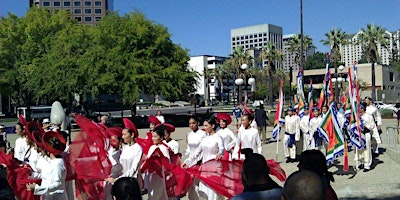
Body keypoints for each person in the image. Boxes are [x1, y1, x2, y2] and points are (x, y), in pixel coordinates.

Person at [182, 116, 224, 200]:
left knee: (213, 190)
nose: (204, 128)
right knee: (204, 189)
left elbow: (222, 148)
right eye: (204, 125)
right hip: (205, 167)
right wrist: (187, 162)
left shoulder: (218, 137)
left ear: (212, 126)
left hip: (214, 167)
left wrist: (220, 153)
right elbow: (196, 153)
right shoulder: (205, 139)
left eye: (206, 125)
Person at [26, 131, 69, 200]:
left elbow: (58, 184)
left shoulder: (58, 163)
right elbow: (45, 175)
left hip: (56, 197)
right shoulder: (50, 161)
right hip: (48, 196)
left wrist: (38, 188)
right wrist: (30, 173)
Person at [182, 115, 207, 199]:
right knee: (191, 183)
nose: (191, 125)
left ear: (197, 123)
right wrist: (181, 154)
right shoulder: (188, 135)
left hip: (200, 160)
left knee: (199, 182)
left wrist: (201, 160)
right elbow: (188, 149)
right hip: (191, 160)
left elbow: (204, 148)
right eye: (190, 123)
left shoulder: (203, 134)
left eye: (193, 123)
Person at [146, 125, 170, 199]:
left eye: (155, 137)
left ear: (161, 137)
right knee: (151, 193)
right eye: (152, 136)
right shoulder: (152, 147)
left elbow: (167, 163)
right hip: (150, 174)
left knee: (158, 193)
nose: (153, 138)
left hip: (159, 175)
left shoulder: (164, 148)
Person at [357, 102, 375, 172]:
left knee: (367, 149)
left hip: (366, 133)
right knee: (360, 149)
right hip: (359, 135)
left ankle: (367, 165)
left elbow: (372, 125)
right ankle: (362, 162)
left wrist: (365, 126)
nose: (360, 109)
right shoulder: (357, 116)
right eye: (359, 108)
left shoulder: (369, 116)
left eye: (361, 108)